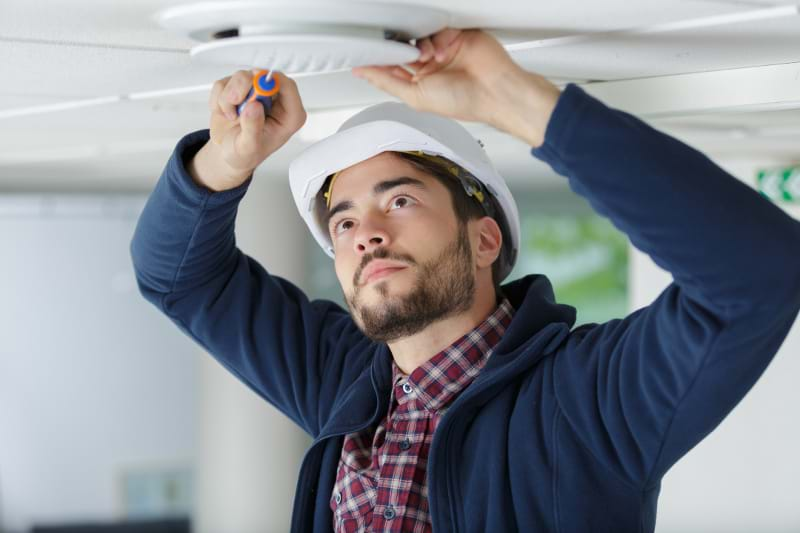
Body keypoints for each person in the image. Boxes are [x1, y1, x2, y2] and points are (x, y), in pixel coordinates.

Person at [130, 28, 800, 532]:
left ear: (484, 239)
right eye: (342, 222)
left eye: (398, 200)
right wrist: (223, 159)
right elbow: (179, 278)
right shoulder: (342, 380)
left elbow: (757, 273)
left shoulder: (587, 400)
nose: (365, 233)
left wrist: (516, 102)